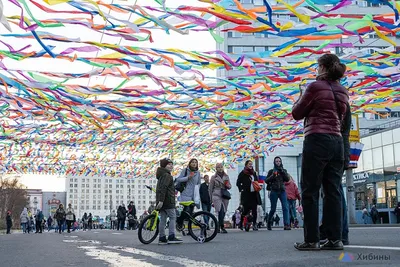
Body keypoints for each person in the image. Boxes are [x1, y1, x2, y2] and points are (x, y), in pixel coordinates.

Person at [293, 54, 348, 251]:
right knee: (332, 191)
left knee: (310, 191)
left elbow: (296, 113)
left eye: (317, 66)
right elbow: (341, 117)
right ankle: (335, 239)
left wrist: (300, 96)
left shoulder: (315, 87)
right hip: (337, 142)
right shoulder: (343, 91)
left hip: (317, 139)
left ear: (323, 67)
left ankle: (312, 239)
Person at [156, 158, 182, 245]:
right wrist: (161, 201)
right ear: (164, 166)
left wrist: (160, 201)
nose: (171, 166)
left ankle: (162, 237)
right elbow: (164, 188)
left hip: (162, 201)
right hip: (168, 201)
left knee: (163, 219)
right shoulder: (167, 176)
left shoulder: (161, 175)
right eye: (168, 164)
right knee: (172, 217)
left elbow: (161, 188)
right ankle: (171, 236)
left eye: (171, 164)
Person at [175, 158, 201, 230]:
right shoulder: (185, 170)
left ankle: (189, 229)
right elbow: (178, 179)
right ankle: (179, 222)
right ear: (189, 163)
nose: (194, 163)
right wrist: (188, 177)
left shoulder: (198, 173)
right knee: (186, 211)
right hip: (185, 193)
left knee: (191, 211)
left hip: (194, 195)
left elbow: (199, 183)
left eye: (195, 162)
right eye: (192, 162)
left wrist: (197, 188)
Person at [266, 157, 291, 231]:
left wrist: (282, 172)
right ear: (274, 162)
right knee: (273, 209)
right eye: (276, 161)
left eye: (279, 161)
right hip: (274, 191)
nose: (278, 162)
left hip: (282, 191)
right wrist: (273, 176)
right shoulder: (271, 171)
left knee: (285, 207)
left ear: (281, 162)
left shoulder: (284, 170)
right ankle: (269, 221)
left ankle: (287, 224)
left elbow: (287, 179)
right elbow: (266, 180)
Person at [236, 160, 262, 231]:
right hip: (246, 194)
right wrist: (241, 189)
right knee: (245, 210)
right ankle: (241, 223)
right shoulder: (242, 173)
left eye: (251, 164)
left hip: (254, 194)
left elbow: (257, 181)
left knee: (254, 210)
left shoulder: (254, 173)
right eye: (249, 164)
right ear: (246, 165)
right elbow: (238, 183)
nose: (251, 165)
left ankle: (254, 224)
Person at [209, 163, 231, 233]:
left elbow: (230, 186)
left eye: (221, 167)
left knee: (224, 211)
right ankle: (222, 227)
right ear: (216, 169)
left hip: (224, 194)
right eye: (218, 167)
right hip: (216, 194)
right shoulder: (213, 177)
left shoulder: (226, 176)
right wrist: (210, 198)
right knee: (220, 210)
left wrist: (227, 185)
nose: (220, 168)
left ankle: (218, 225)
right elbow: (210, 188)